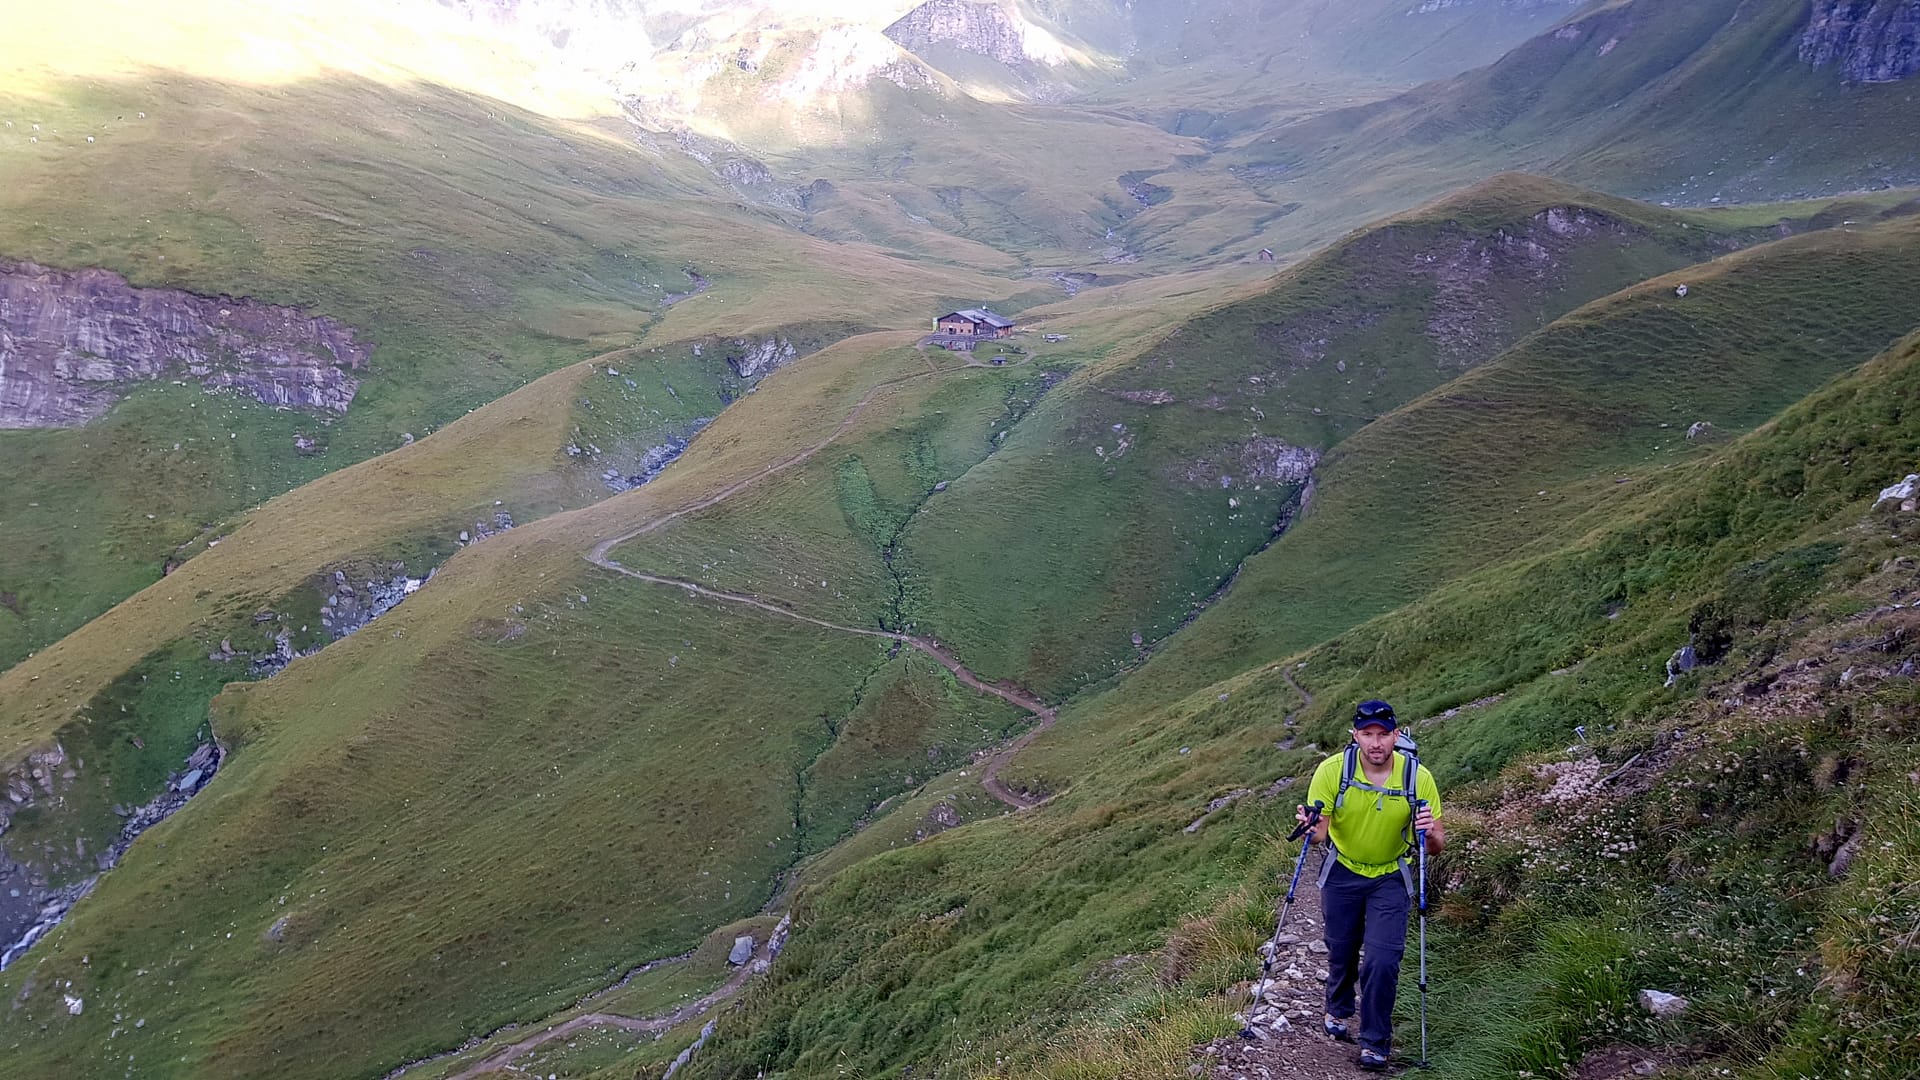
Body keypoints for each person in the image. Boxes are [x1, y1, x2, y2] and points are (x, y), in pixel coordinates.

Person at [1295, 699, 1444, 1071]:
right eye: (1367, 734)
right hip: (1343, 870)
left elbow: (1437, 844)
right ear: (1355, 736)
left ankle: (1375, 1042)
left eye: (1383, 735)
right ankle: (1339, 1006)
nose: (1376, 743)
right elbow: (1320, 833)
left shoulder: (1417, 777)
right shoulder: (1332, 771)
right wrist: (1311, 829)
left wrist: (1427, 834)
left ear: (1396, 735)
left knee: (1382, 960)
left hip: (1391, 876)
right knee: (1341, 948)